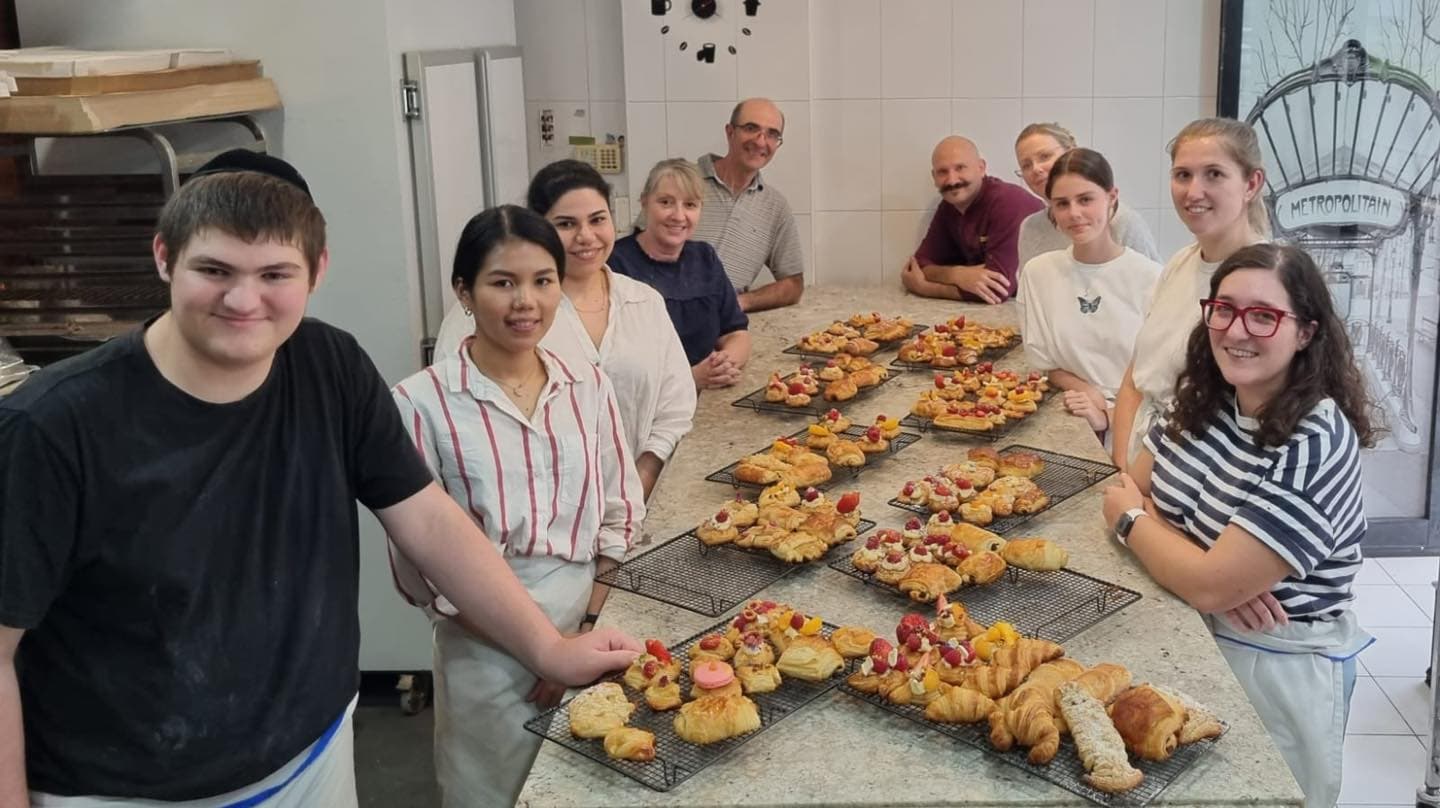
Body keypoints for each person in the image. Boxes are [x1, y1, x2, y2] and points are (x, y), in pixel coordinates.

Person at [0, 151, 639, 807]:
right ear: (165, 258)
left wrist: (549, 649)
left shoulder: (328, 366)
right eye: (214, 270)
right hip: (129, 790)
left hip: (312, 757)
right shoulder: (51, 427)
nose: (243, 299)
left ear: (316, 271)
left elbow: (427, 518)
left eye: (275, 273)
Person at [389, 205, 644, 807]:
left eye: (542, 281)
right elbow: (419, 567)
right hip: (482, 644)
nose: (525, 301)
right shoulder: (420, 403)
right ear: (465, 293)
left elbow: (619, 512)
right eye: (502, 282)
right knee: (493, 793)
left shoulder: (588, 385)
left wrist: (580, 633)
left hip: (589, 616)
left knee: (592, 785)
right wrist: (536, 650)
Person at [1102, 243, 1374, 808]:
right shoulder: (1210, 397)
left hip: (1272, 664)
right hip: (1191, 631)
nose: (1236, 330)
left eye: (1263, 315)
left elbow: (1128, 506)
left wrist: (1135, 525)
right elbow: (1133, 481)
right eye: (1223, 309)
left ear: (1305, 332)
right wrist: (1205, 572)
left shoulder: (1314, 442)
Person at [436, 160, 695, 500]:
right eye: (566, 223)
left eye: (597, 220)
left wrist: (637, 486)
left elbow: (675, 407)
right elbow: (459, 421)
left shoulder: (643, 302)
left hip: (636, 506)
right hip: (525, 518)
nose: (585, 237)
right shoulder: (500, 313)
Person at [1110, 117, 1270, 469]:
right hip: (1139, 467)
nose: (1193, 192)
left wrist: (1139, 492)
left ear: (1251, 183)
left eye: (1214, 174)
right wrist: (1122, 468)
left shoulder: (1265, 283)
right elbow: (1136, 379)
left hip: (1193, 478)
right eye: (1183, 175)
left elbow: (1233, 424)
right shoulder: (1180, 263)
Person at [1016, 148, 1160, 443]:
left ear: (1111, 197)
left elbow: (1161, 381)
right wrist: (1087, 391)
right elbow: (1046, 364)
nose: (1074, 214)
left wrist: (1107, 415)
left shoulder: (1152, 278)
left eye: (1085, 199)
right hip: (1069, 417)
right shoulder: (1039, 273)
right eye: (1062, 204)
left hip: (1139, 430)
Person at [611, 158, 752, 391]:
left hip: (707, 397)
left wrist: (724, 364)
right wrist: (690, 378)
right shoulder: (616, 265)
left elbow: (736, 332)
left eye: (690, 205)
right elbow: (617, 366)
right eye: (666, 202)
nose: (678, 216)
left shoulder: (705, 258)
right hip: (649, 407)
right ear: (644, 203)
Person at [691, 97, 806, 312]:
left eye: (772, 134)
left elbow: (793, 285)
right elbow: (637, 252)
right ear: (730, 132)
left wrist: (740, 302)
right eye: (751, 128)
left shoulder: (775, 207)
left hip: (722, 327)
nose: (761, 141)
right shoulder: (682, 180)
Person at [900, 135, 1044, 304]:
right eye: (942, 172)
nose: (952, 180)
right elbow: (918, 265)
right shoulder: (949, 206)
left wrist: (924, 288)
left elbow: (996, 290)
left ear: (981, 168)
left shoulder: (1008, 202)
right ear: (934, 177)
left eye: (960, 168)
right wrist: (958, 274)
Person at [1011, 121, 1161, 267]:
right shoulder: (1031, 228)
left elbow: (1155, 286)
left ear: (1070, 153)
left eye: (1045, 156)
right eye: (1026, 165)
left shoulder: (1124, 223)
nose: (1036, 169)